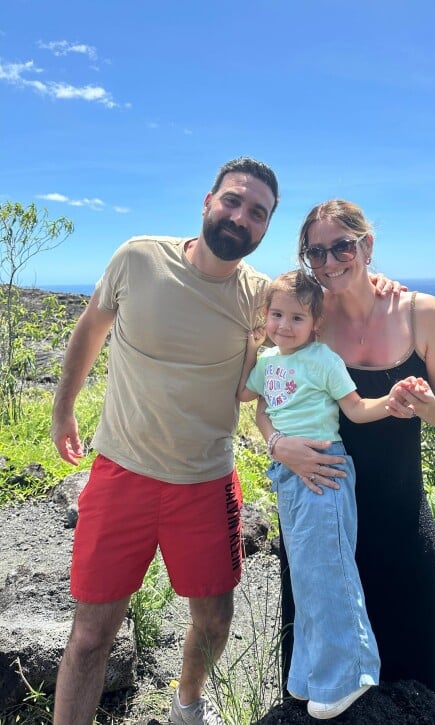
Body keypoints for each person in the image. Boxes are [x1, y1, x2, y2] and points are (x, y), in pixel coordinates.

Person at [50, 157, 281, 725]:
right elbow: (89, 330)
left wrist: (372, 279)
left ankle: (187, 705)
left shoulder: (260, 297)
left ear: (265, 228)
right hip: (121, 473)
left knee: (215, 619)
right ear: (207, 201)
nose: (240, 217)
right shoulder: (137, 257)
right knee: (89, 636)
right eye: (232, 201)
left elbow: (320, 318)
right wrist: (63, 408)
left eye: (257, 213)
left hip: (205, 481)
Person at [257, 200, 435, 723]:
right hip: (321, 505)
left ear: (366, 246)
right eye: (316, 252)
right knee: (321, 641)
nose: (329, 261)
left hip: (398, 513)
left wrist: (425, 406)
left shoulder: (421, 312)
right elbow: (269, 395)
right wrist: (275, 444)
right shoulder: (310, 319)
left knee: (415, 647)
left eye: (342, 246)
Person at [236, 269, 401, 719]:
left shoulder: (324, 359)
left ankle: (351, 674)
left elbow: (357, 409)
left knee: (330, 572)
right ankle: (311, 677)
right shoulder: (268, 361)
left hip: (326, 471)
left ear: (315, 324)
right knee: (306, 578)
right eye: (276, 315)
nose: (284, 325)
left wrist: (392, 400)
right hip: (287, 474)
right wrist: (253, 341)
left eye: (296, 318)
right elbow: (247, 398)